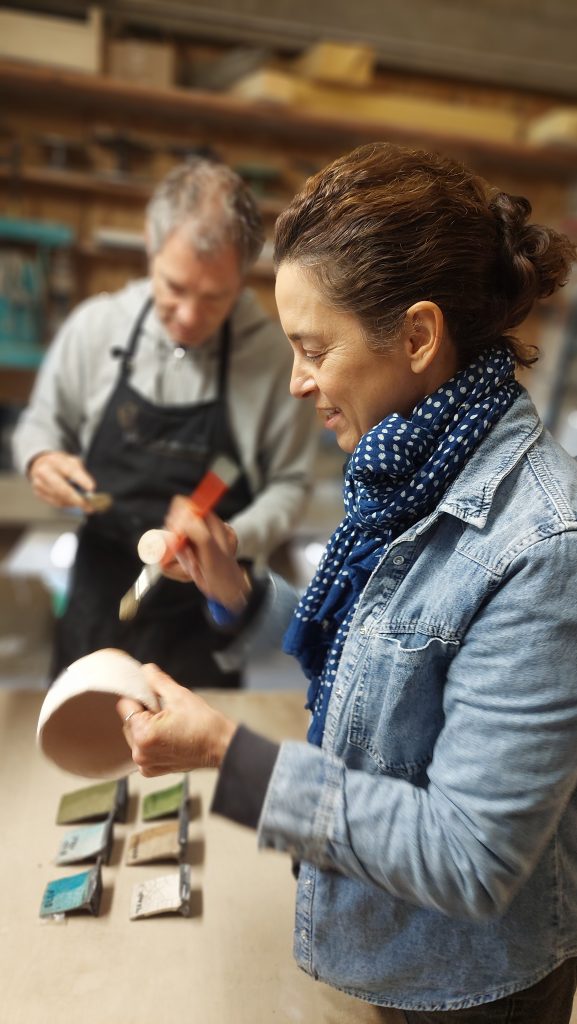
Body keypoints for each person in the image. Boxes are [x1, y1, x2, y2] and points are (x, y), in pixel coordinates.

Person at [117, 142, 577, 1022]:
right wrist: (235, 592)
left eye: (312, 349)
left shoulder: (541, 545)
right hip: (387, 951)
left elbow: (469, 855)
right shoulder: (409, 467)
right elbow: (378, 654)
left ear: (416, 335)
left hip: (469, 989)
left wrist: (228, 756)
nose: (296, 382)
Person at [12, 158, 318, 688]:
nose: (189, 315)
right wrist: (39, 458)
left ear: (243, 275)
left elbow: (290, 485)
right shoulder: (96, 325)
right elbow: (39, 425)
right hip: (98, 598)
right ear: (151, 245)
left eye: (213, 297)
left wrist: (226, 539)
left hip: (201, 618)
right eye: (174, 288)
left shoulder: (272, 358)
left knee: (189, 764)